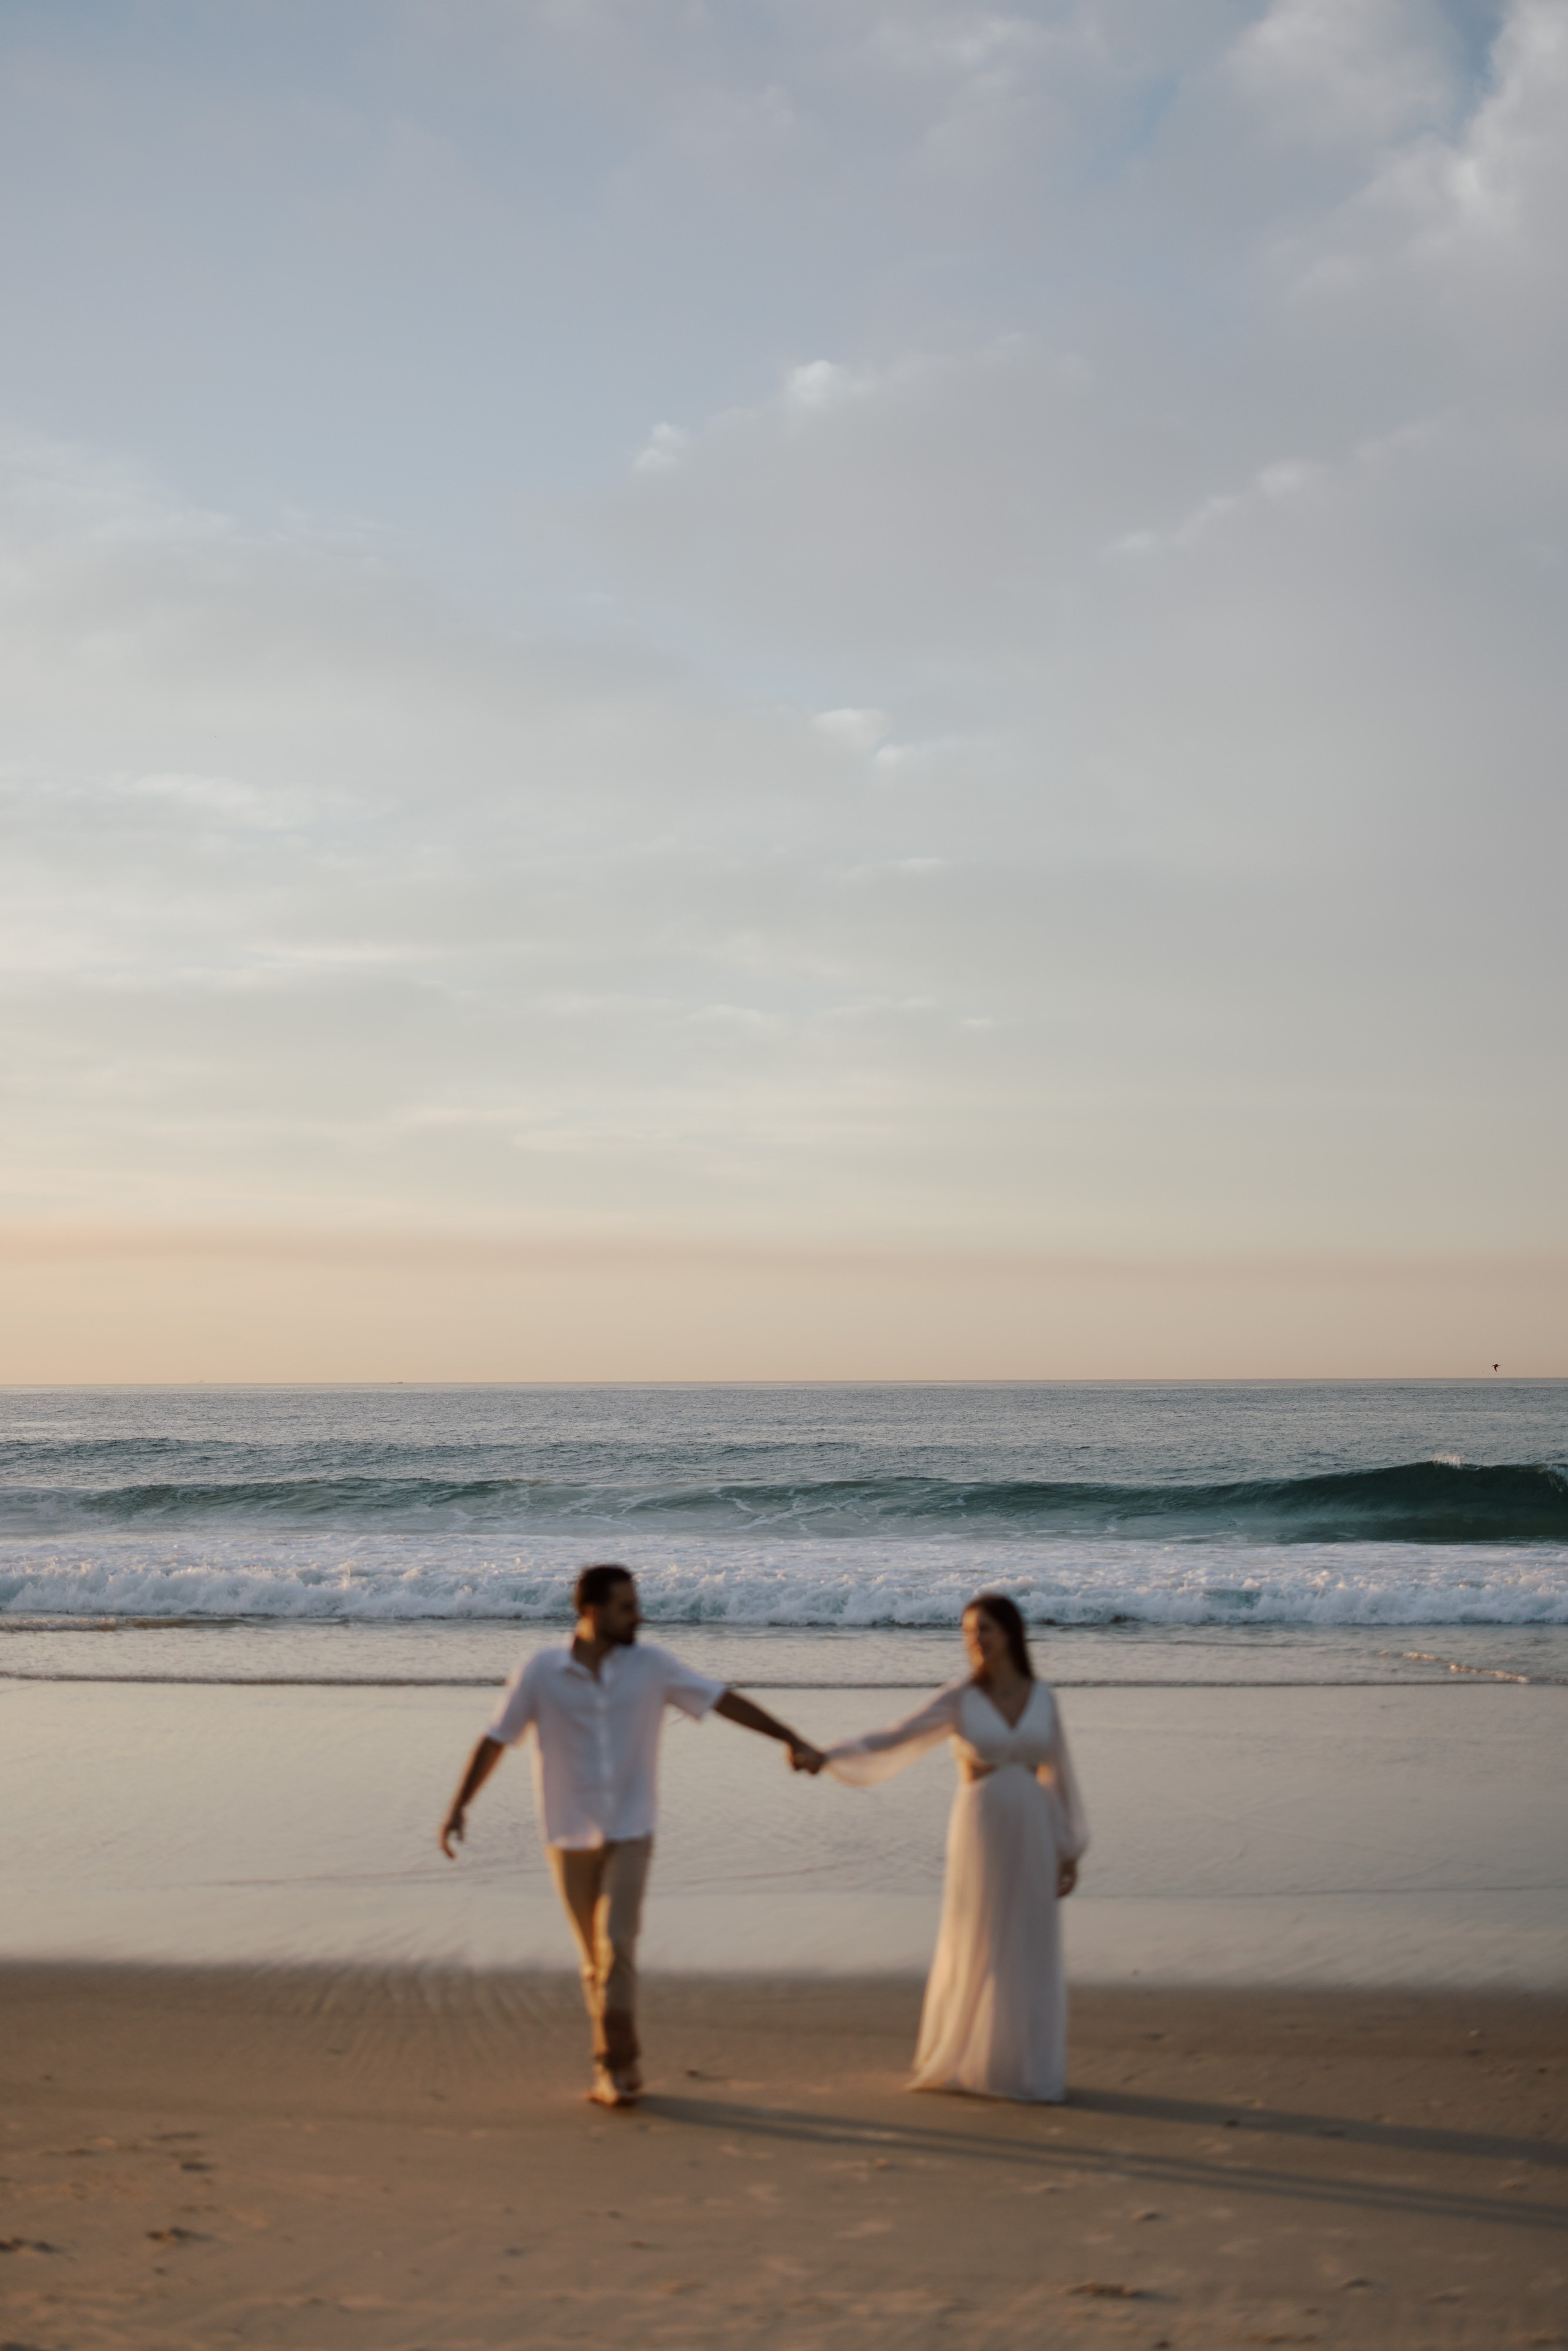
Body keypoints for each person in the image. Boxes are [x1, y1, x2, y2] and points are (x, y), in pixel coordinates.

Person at [440, 1563, 824, 2108]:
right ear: (592, 1611)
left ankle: (612, 2069)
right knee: (594, 1959)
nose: (638, 1616)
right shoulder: (540, 1671)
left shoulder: (652, 1666)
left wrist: (791, 1737)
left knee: (616, 1944)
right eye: (626, 1607)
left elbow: (721, 1700)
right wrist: (459, 1806)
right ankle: (622, 2059)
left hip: (631, 1828)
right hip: (566, 1834)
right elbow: (496, 1739)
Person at [821, 1592, 1087, 2104]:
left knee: (1030, 1939)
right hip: (980, 1824)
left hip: (1034, 1825)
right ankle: (966, 2058)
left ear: (1010, 1633)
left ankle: (1027, 2068)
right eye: (968, 1633)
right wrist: (827, 1755)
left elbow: (1062, 1777)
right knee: (979, 1932)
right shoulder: (961, 1697)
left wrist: (1069, 1847)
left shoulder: (1043, 1697)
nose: (975, 1642)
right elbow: (895, 1737)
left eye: (984, 1630)